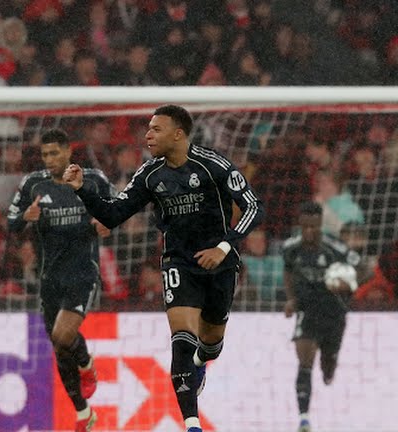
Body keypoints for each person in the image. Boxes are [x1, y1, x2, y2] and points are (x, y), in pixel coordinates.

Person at [63, 105, 264, 432]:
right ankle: (192, 424)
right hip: (178, 263)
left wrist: (224, 247)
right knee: (182, 338)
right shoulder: (149, 174)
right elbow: (114, 214)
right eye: (148, 129)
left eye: (156, 129)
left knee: (212, 341)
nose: (148, 135)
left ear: (178, 134)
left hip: (220, 262)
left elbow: (254, 207)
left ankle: (200, 362)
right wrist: (82, 188)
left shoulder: (213, 165)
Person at [8, 128, 114, 432]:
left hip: (82, 273)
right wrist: (25, 218)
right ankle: (83, 414)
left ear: (68, 152)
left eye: (54, 153)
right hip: (50, 278)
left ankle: (86, 363)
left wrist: (107, 221)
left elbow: (118, 209)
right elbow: (11, 222)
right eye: (45, 154)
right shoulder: (33, 184)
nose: (49, 159)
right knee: (59, 346)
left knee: (63, 336)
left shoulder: (93, 179)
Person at [282, 202, 360, 432]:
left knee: (327, 367)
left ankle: (330, 365)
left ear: (320, 224)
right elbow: (288, 271)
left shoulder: (335, 248)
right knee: (305, 361)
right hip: (307, 310)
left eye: (314, 227)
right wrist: (291, 299)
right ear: (300, 224)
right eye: (305, 226)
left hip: (333, 312)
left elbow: (362, 268)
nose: (309, 231)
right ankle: (304, 419)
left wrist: (346, 284)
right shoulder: (290, 248)